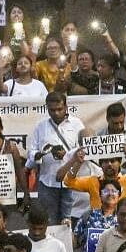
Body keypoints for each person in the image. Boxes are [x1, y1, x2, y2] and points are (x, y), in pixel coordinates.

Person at [27, 92, 88, 224]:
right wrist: (38, 155)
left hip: (71, 181)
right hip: (47, 181)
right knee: (49, 223)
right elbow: (31, 151)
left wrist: (66, 155)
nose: (55, 113)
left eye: (59, 109)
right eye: (52, 110)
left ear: (66, 107)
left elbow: (84, 149)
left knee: (69, 221)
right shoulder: (41, 126)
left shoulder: (77, 124)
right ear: (47, 108)